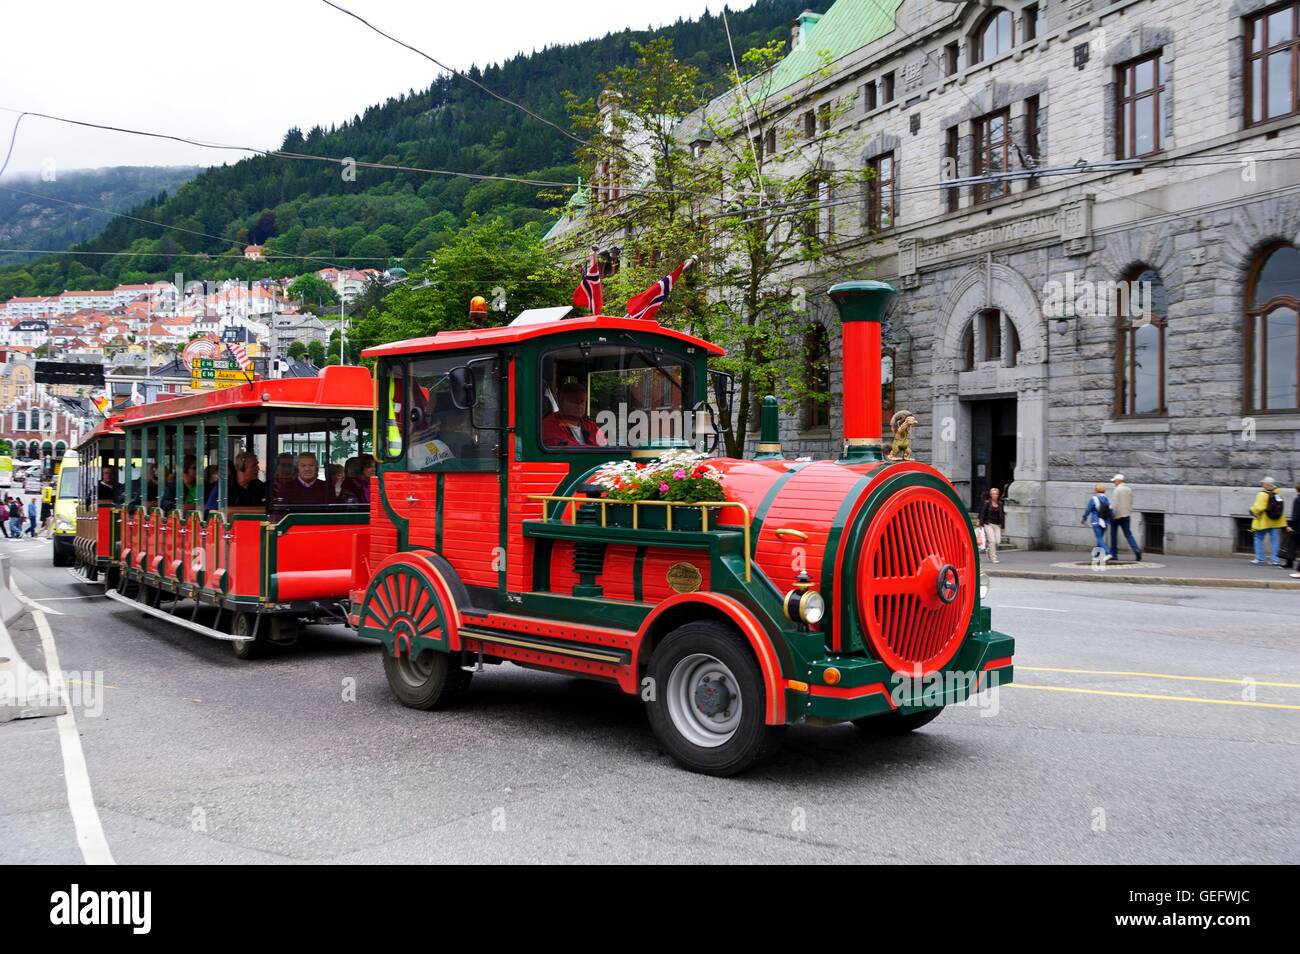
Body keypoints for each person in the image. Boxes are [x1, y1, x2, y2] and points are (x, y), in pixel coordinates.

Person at [542, 381, 606, 447]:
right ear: (561, 403)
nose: (579, 406)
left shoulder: (591, 426)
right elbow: (563, 447)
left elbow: (604, 446)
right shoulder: (550, 424)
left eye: (582, 402)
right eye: (573, 401)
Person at [1250, 476, 1287, 566]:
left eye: (1263, 483)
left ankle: (1260, 558)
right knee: (1275, 541)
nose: (1262, 485)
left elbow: (1260, 507)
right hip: (1276, 521)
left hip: (1263, 521)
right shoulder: (1278, 494)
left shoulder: (1262, 494)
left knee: (1258, 538)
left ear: (1266, 484)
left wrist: (1252, 510)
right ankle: (1275, 560)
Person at [1108, 473, 1141, 562]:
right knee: (1128, 534)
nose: (1114, 482)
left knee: (1113, 535)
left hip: (1116, 516)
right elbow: (1131, 502)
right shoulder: (1128, 489)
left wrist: (1111, 514)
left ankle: (1114, 554)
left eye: (1115, 481)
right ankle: (1136, 550)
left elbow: (1115, 504)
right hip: (1126, 515)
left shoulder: (1116, 490)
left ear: (1118, 481)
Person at [1081, 482, 1112, 559]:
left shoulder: (1094, 498)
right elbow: (1110, 511)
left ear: (1096, 490)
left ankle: (1108, 553)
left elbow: (1088, 509)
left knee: (1099, 538)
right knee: (1100, 538)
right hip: (1104, 522)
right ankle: (1096, 556)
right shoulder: (1107, 499)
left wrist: (1084, 517)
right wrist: (1110, 521)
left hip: (1096, 521)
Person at [977, 487, 1006, 564]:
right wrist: (980, 523)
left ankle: (989, 550)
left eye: (996, 494)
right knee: (992, 541)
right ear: (990, 495)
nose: (995, 495)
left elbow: (1002, 515)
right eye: (993, 494)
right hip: (988, 524)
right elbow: (982, 513)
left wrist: (1003, 526)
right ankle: (993, 558)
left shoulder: (1000, 504)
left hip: (997, 525)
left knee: (997, 541)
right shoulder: (987, 503)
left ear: (998, 495)